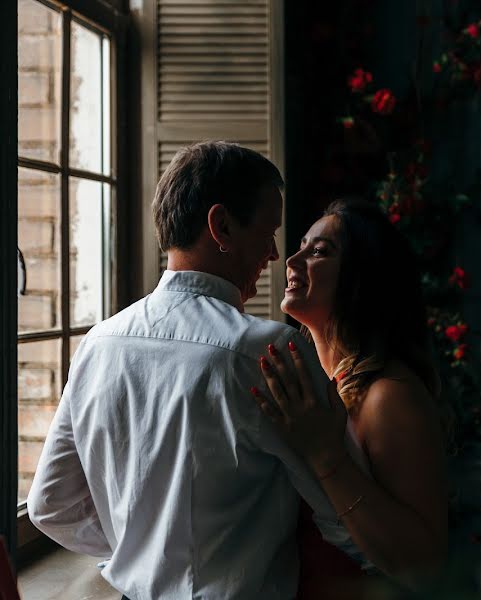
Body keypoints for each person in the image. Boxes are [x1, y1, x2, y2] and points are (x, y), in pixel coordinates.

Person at [27, 141, 364, 599]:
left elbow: (51, 505)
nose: (272, 255)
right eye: (268, 233)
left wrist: (142, 554)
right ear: (222, 226)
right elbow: (345, 519)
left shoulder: (97, 344)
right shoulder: (269, 353)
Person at [252, 198, 448, 595]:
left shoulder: (387, 397)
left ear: (363, 278)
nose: (292, 259)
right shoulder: (314, 382)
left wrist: (327, 457)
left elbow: (424, 564)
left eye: (319, 251)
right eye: (302, 245)